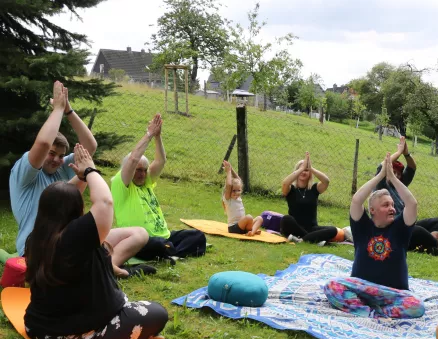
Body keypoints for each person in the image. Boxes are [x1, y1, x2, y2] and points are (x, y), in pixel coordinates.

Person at [23, 144, 169, 339]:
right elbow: (105, 202)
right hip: (72, 336)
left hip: (37, 327)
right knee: (157, 313)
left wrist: (81, 178)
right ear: (75, 209)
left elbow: (61, 198)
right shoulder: (75, 236)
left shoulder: (38, 237)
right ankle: (123, 338)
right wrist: (91, 171)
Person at [9, 81, 149, 277]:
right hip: (39, 247)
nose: (57, 160)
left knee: (139, 234)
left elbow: (90, 146)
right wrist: (57, 109)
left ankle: (111, 264)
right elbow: (42, 143)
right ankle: (101, 263)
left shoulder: (62, 170)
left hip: (71, 237)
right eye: (52, 154)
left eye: (61, 155)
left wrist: (68, 111)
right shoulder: (26, 173)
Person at [323, 153, 424, 319]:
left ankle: (375, 313)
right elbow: (356, 200)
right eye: (386, 205)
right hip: (361, 288)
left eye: (392, 205)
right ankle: (368, 312)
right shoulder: (362, 226)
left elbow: (412, 204)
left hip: (393, 293)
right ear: (372, 210)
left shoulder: (401, 227)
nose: (392, 208)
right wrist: (380, 176)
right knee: (331, 286)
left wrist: (392, 177)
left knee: (416, 306)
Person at [111, 113, 206, 260]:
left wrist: (157, 136)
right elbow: (133, 159)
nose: (142, 174)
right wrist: (149, 134)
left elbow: (161, 161)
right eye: (138, 170)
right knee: (159, 245)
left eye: (144, 170)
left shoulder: (147, 181)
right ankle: (171, 252)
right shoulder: (121, 184)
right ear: (129, 170)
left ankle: (171, 253)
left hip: (166, 236)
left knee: (197, 236)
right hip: (141, 240)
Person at [374, 137, 438, 259]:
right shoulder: (381, 186)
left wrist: (406, 153)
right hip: (392, 231)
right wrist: (398, 152)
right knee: (416, 230)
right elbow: (380, 167)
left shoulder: (400, 185)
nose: (396, 176)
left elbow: (412, 167)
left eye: (398, 174)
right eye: (393, 173)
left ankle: (430, 248)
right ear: (387, 173)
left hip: (406, 227)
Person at [280, 152, 339, 245]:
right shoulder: (290, 189)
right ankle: (313, 239)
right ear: (296, 172)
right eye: (300, 170)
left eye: (306, 170)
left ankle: (302, 239)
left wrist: (311, 168)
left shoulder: (314, 189)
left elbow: (326, 181)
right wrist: (302, 168)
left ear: (310, 174)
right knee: (286, 219)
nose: (303, 172)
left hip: (312, 228)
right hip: (295, 226)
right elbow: (285, 183)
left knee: (333, 230)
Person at [222, 160, 263, 236]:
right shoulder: (228, 199)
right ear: (228, 191)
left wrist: (231, 169)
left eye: (238, 190)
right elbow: (229, 185)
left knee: (259, 218)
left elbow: (239, 180)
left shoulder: (238, 197)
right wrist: (228, 172)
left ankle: (252, 232)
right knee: (249, 217)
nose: (236, 193)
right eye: (233, 191)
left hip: (243, 225)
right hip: (234, 228)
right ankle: (251, 230)